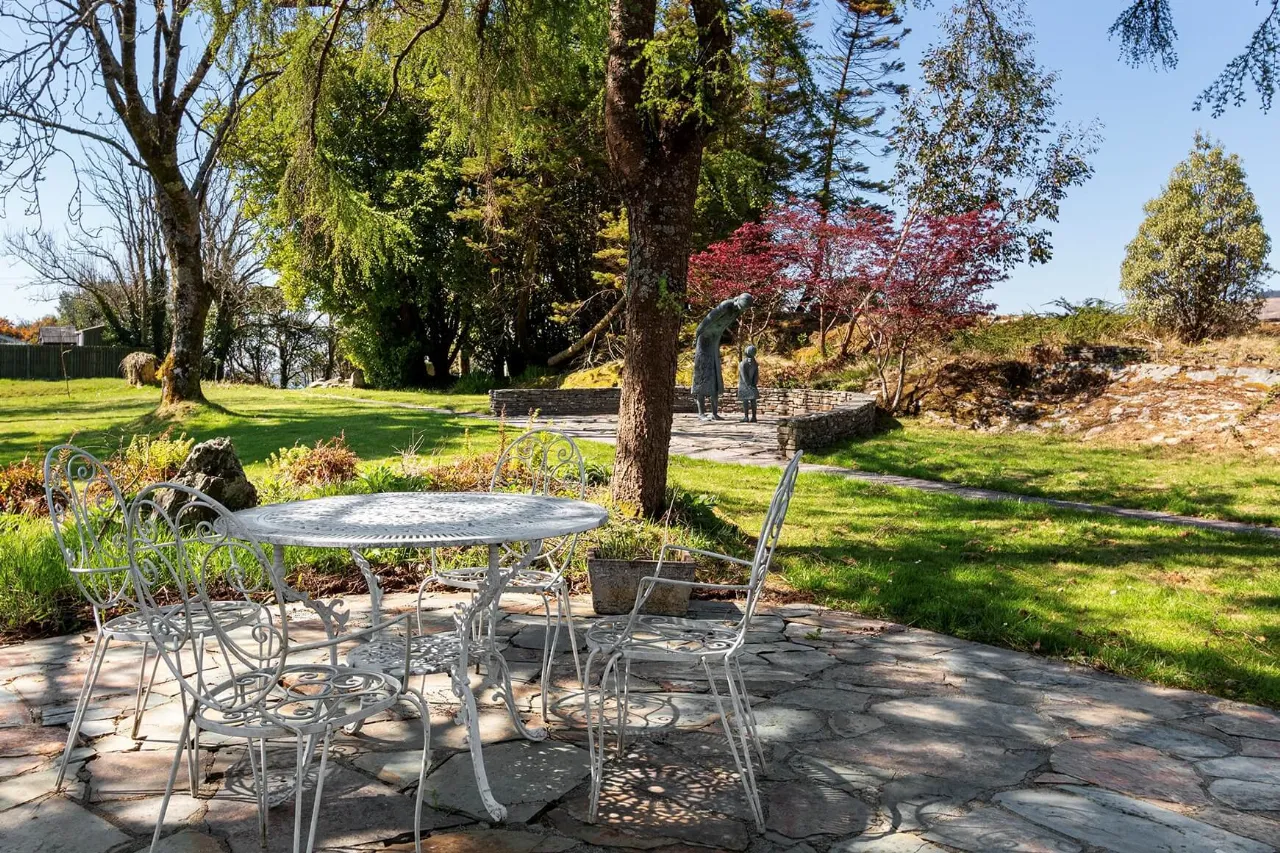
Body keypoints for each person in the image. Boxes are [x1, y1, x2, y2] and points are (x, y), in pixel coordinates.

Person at [691, 293, 752, 420]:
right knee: (702, 375)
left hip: (714, 340)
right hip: (704, 339)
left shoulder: (737, 311)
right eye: (742, 307)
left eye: (745, 309)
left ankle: (714, 413)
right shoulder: (726, 305)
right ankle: (701, 413)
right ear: (737, 301)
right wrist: (696, 337)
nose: (742, 310)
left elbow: (722, 327)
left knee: (715, 376)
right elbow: (706, 321)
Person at [737, 345, 759, 422]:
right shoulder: (755, 363)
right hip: (752, 384)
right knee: (753, 400)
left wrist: (748, 384)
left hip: (744, 385)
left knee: (745, 401)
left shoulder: (742, 363)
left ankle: (746, 417)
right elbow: (756, 375)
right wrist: (754, 383)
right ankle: (754, 417)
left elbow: (743, 376)